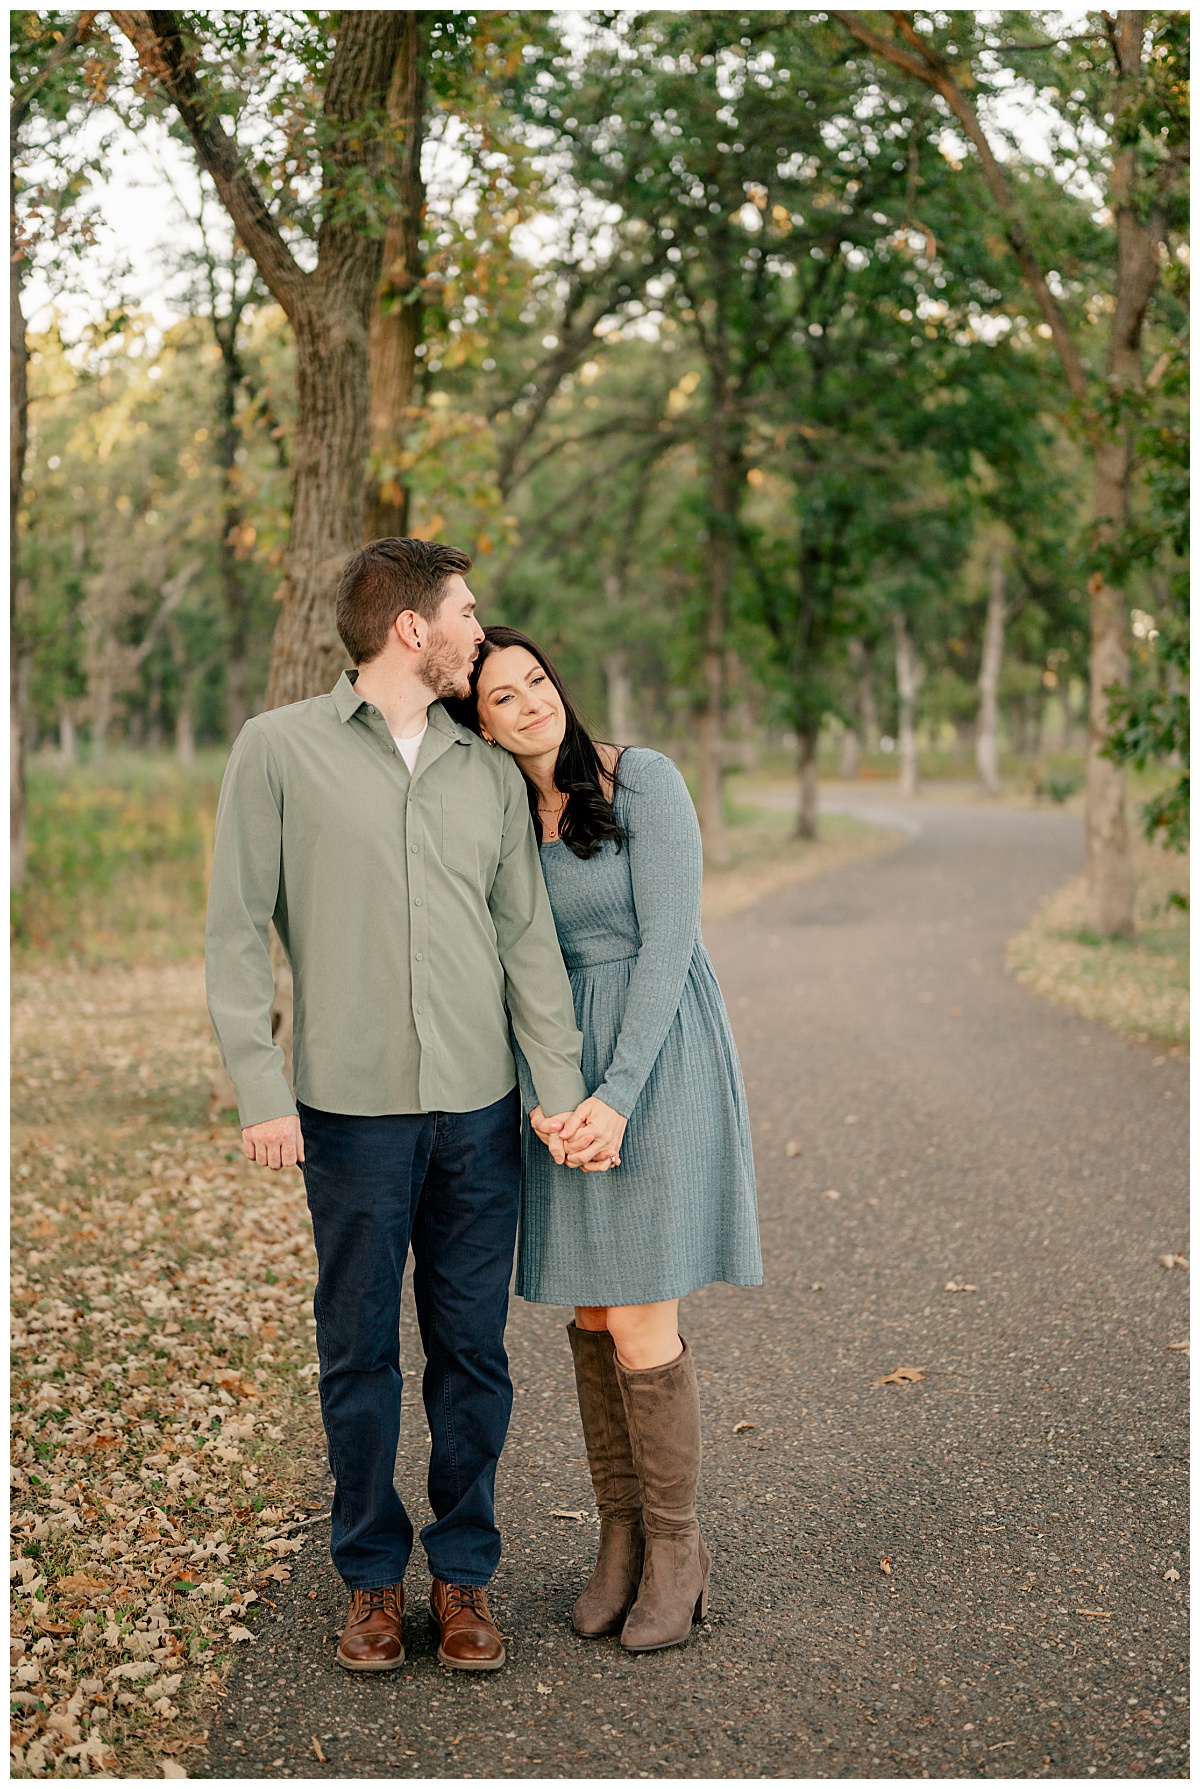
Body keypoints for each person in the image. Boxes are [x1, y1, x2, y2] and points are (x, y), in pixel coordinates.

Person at [205, 543, 592, 1676]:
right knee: (359, 1351)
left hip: (479, 1113)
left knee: (471, 1353)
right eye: (465, 614)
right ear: (411, 631)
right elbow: (237, 929)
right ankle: (373, 1581)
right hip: (349, 1116)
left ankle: (464, 1575)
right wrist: (260, 1088)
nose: (483, 630)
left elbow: (526, 943)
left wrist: (557, 1092)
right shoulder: (276, 752)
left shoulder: (483, 770)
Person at [451, 626, 761, 1654]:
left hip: (656, 1060)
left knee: (638, 1314)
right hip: (562, 1076)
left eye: (537, 681)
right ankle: (620, 1539)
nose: (533, 703)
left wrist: (618, 1094)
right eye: (503, 697)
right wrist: (552, 1096)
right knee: (590, 1311)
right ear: (479, 723)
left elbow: (671, 946)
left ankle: (680, 1550)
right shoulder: (501, 817)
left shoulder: (644, 781)